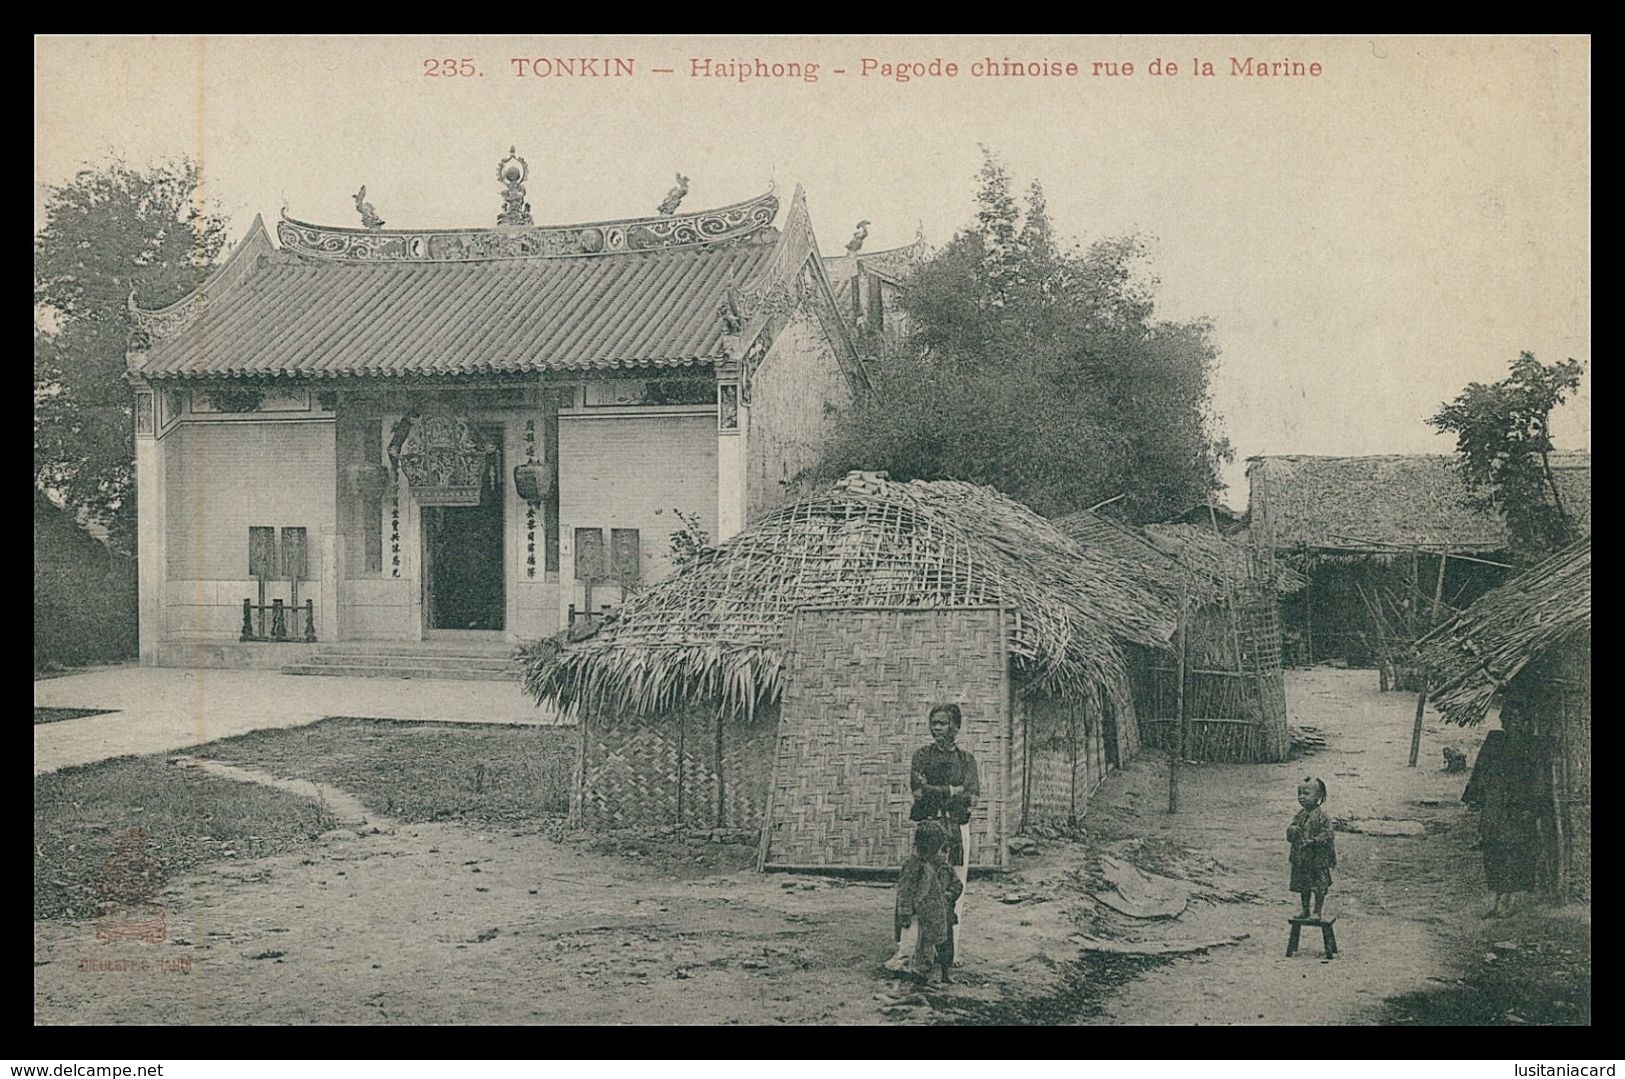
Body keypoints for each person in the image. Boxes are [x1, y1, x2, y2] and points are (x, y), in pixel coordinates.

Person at [909, 703, 979, 948]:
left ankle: (949, 952)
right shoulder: (921, 756)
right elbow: (918, 792)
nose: (936, 728)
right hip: (927, 830)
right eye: (933, 723)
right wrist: (951, 791)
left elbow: (971, 798)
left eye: (942, 723)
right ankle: (912, 950)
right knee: (919, 886)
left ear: (956, 727)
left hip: (956, 830)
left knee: (953, 887)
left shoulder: (966, 760)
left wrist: (935, 791)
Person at [1462, 730, 1549, 917]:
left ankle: (1511, 900)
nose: (1512, 723)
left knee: (1517, 851)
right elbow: (1481, 768)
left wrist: (1532, 807)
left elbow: (1539, 780)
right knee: (1493, 850)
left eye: (1517, 720)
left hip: (1517, 808)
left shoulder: (1532, 745)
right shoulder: (1495, 741)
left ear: (1525, 722)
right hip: (1495, 806)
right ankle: (1498, 898)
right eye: (1508, 718)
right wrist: (1475, 795)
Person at [889, 820, 963, 984]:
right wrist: (906, 912)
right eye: (939, 849)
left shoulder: (934, 866)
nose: (942, 854)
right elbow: (905, 891)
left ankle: (920, 974)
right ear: (930, 847)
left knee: (927, 945)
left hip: (930, 914)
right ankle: (902, 975)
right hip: (915, 914)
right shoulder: (913, 865)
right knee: (911, 945)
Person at [1287, 776, 1336, 919]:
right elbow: (1290, 833)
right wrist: (1292, 830)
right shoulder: (1299, 816)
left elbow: (1328, 834)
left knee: (1319, 885)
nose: (1302, 797)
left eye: (1306, 794)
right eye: (1299, 793)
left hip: (1318, 859)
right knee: (1304, 884)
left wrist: (1314, 841)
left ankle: (1317, 911)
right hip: (1302, 857)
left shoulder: (1322, 817)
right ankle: (1305, 909)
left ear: (1318, 796)